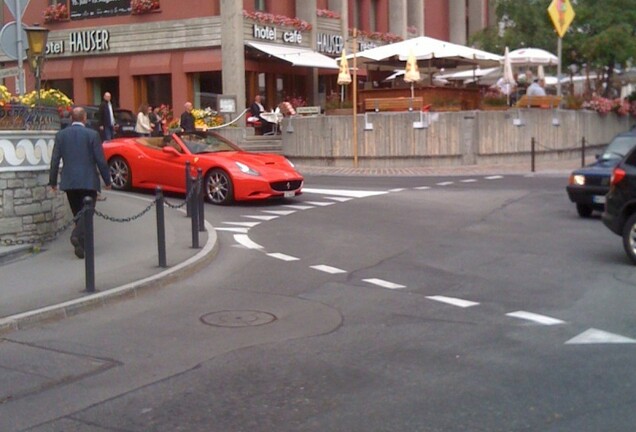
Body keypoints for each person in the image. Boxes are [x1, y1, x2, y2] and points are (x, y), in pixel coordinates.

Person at [49, 107, 112, 259]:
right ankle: (77, 236)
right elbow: (100, 160)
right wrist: (107, 180)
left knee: (77, 212)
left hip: (69, 180)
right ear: (84, 118)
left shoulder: (61, 135)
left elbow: (55, 159)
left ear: (72, 119)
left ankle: (82, 247)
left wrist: (52, 182)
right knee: (87, 212)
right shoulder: (92, 134)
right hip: (88, 180)